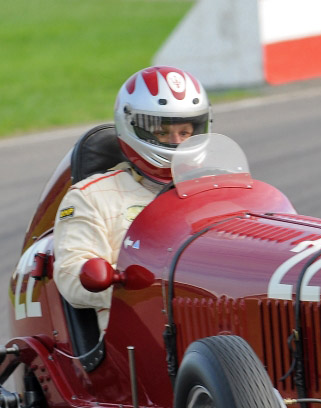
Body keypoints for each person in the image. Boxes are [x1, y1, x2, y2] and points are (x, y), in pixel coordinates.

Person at [53, 66, 211, 332]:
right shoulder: (90, 197)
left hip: (212, 316)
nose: (176, 142)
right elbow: (72, 275)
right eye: (163, 132)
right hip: (138, 333)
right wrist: (143, 284)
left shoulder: (214, 188)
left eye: (185, 133)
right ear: (134, 128)